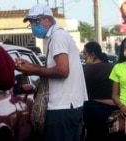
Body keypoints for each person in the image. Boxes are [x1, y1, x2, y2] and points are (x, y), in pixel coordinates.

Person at [15, 4, 88, 141]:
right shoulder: (54, 36)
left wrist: (33, 70)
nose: (33, 26)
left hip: (63, 106)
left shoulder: (57, 36)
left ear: (48, 19)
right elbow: (54, 69)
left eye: (36, 21)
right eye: (31, 23)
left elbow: (62, 70)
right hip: (67, 106)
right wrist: (30, 66)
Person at [82, 41, 119, 141]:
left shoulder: (86, 70)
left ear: (92, 55)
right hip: (113, 109)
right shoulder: (113, 67)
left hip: (92, 111)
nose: (83, 57)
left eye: (85, 53)